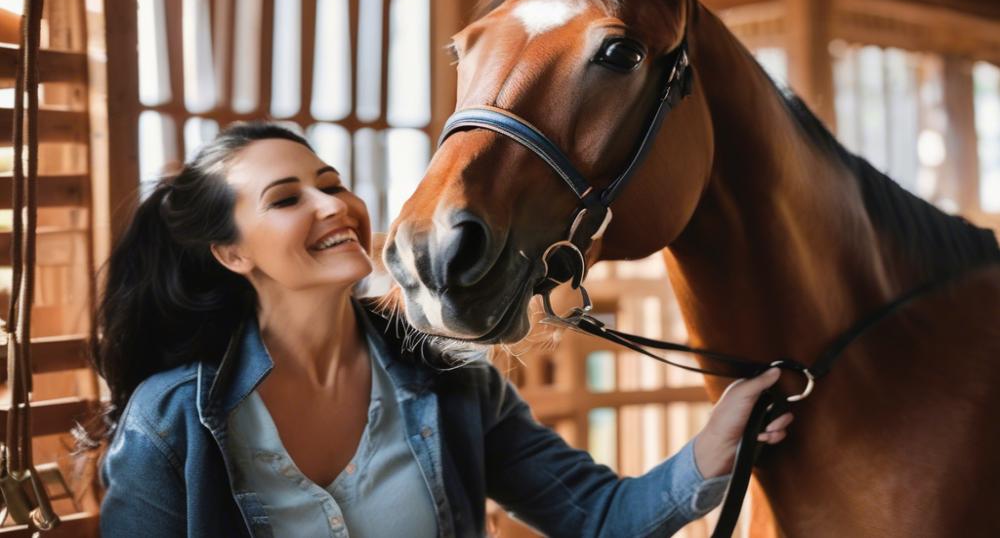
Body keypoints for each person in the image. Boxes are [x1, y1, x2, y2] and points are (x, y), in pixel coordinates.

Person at [93, 121, 792, 537]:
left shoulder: (450, 380)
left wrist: (713, 448)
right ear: (232, 253)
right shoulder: (173, 419)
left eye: (331, 183)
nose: (332, 205)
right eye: (286, 199)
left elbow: (597, 519)